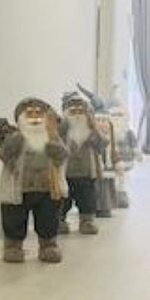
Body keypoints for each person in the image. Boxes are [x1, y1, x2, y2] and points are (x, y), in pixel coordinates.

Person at [0, 98, 67, 264]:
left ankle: (48, 245)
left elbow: (62, 156)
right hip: (18, 187)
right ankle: (13, 246)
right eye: (29, 113)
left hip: (48, 188)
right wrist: (5, 138)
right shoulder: (15, 138)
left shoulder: (52, 137)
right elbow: (5, 156)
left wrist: (53, 138)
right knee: (14, 217)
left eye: (39, 113)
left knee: (48, 218)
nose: (35, 117)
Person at [57, 91, 102, 235]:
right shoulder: (61, 131)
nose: (77, 114)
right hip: (65, 173)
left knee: (87, 199)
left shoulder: (91, 130)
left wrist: (94, 128)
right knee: (63, 199)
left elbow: (102, 145)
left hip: (86, 172)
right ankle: (59, 220)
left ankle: (87, 221)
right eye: (73, 111)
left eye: (80, 111)